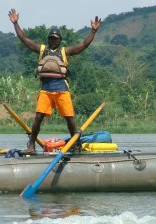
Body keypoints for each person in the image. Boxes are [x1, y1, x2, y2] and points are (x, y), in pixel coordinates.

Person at [8, 8, 101, 152]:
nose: (54, 40)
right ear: (48, 39)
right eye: (51, 38)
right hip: (46, 89)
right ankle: (31, 144)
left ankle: (75, 145)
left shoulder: (65, 51)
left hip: (62, 89)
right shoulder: (41, 49)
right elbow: (25, 40)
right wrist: (15, 23)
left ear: (60, 40)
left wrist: (93, 31)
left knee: (69, 118)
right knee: (38, 117)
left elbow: (83, 46)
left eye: (56, 38)